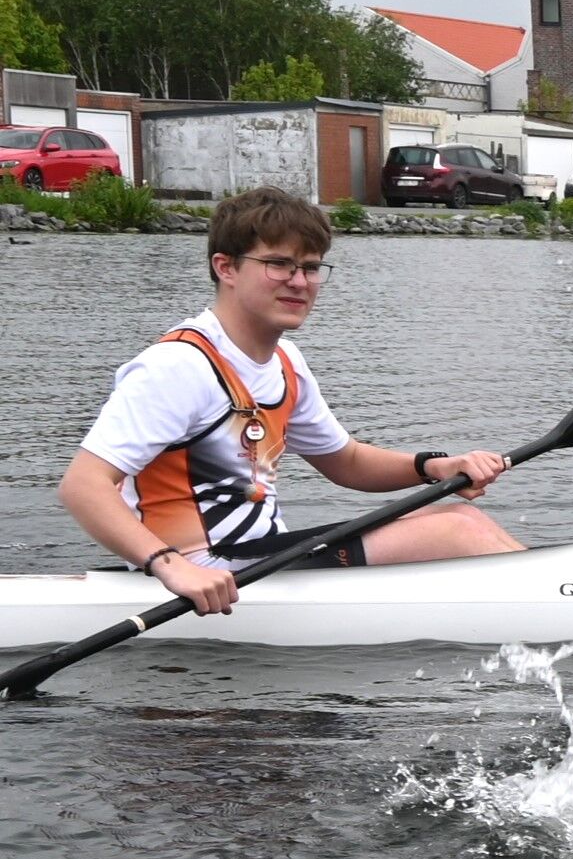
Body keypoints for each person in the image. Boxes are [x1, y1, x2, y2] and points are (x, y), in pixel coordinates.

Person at [58, 186, 522, 617]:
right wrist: (169, 565)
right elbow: (83, 486)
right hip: (201, 573)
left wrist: (433, 466)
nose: (299, 282)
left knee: (456, 513)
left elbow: (347, 462)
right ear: (226, 268)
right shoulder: (177, 366)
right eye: (279, 264)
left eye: (311, 267)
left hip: (260, 557)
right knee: (459, 529)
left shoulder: (285, 361)